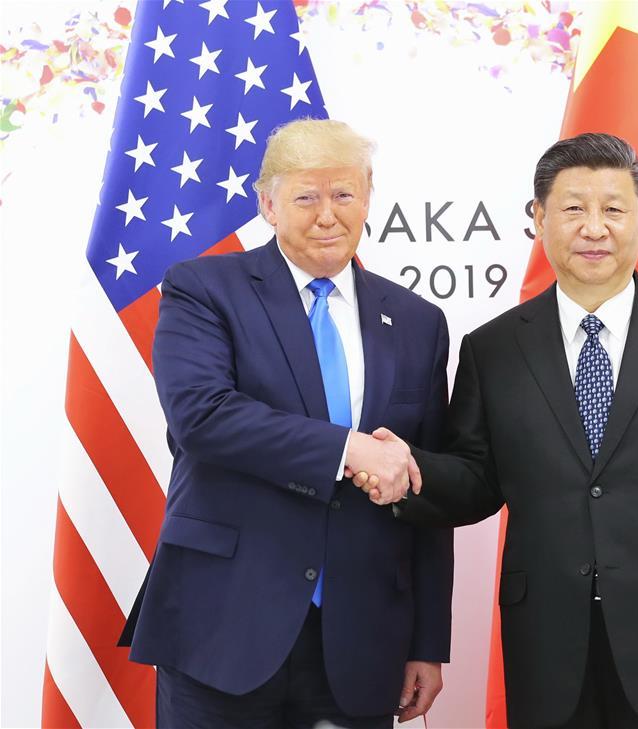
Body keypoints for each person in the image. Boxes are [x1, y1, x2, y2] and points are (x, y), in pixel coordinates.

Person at [357, 133, 638, 728]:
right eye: (573, 208)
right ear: (537, 218)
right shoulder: (495, 348)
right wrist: (410, 473)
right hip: (550, 647)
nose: (594, 228)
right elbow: (479, 479)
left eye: (613, 209)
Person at [120, 119, 453, 728]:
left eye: (344, 194)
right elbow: (201, 416)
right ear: (268, 204)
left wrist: (428, 643)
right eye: (306, 196)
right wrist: (348, 449)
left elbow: (420, 488)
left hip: (362, 643)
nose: (328, 214)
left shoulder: (417, 321)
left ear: (368, 195)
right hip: (223, 629)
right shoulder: (203, 289)